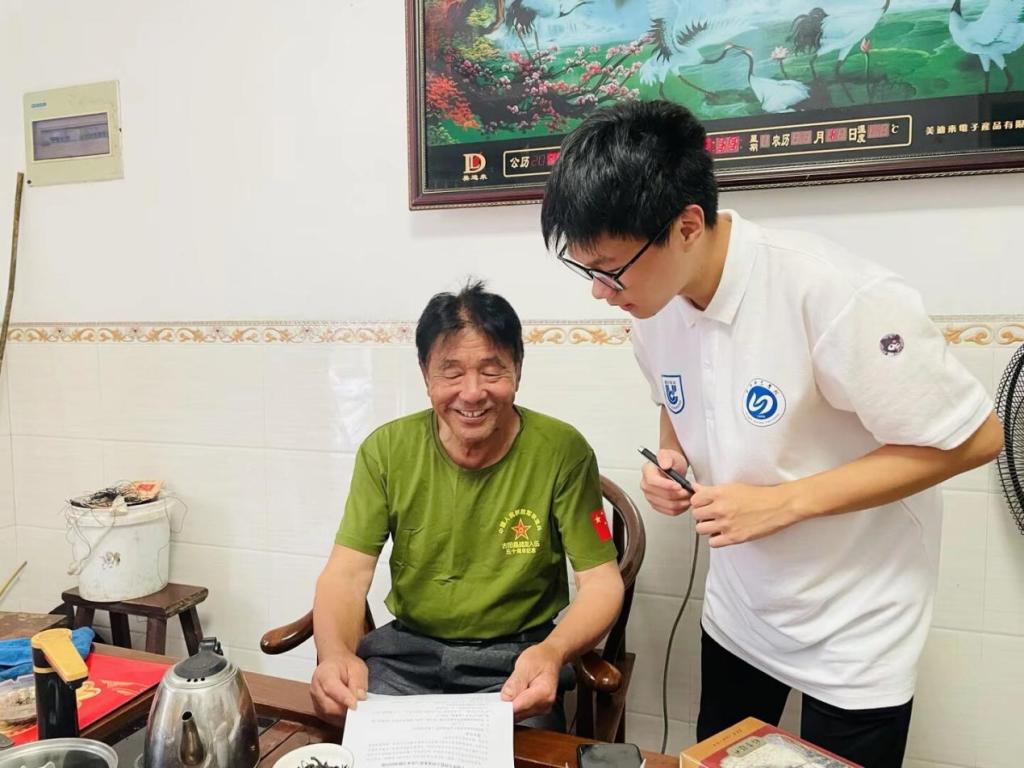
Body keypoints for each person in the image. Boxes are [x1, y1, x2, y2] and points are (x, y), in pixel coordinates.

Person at [540, 100, 1004, 767]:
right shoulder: (653, 306)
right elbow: (676, 398)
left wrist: (783, 503)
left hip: (855, 626)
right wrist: (670, 458)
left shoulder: (831, 291)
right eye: (587, 270)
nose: (600, 292)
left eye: (611, 269)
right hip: (741, 611)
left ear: (687, 226)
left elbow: (975, 438)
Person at [309, 280, 624, 731]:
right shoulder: (387, 451)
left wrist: (553, 652)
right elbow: (346, 575)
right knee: (361, 748)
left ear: (518, 369)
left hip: (516, 663)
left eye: (492, 371)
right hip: (406, 658)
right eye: (452, 373)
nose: (472, 393)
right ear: (426, 374)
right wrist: (336, 655)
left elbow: (601, 582)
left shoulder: (562, 451)